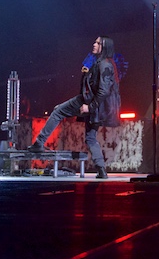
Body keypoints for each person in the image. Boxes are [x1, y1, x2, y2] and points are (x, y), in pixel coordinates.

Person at [28, 36, 121, 180]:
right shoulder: (103, 63)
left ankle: (39, 143)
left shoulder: (105, 65)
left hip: (90, 102)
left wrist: (89, 108)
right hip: (94, 104)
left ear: (104, 47)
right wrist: (86, 74)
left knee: (58, 111)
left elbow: (103, 91)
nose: (94, 44)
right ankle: (101, 170)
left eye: (98, 43)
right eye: (95, 41)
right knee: (90, 138)